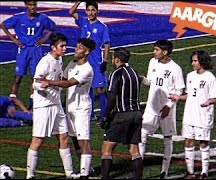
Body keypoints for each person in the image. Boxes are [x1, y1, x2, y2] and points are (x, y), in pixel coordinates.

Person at [39, 38, 96, 179]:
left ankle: (84, 175)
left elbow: (68, 83)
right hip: (70, 108)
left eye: (79, 48)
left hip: (81, 109)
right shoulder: (72, 64)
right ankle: (87, 169)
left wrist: (49, 82)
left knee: (83, 141)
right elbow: (62, 77)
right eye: (76, 47)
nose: (76, 49)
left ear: (86, 52)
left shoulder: (87, 69)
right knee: (75, 140)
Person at [26, 33, 78, 179]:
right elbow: (35, 83)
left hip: (56, 105)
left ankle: (70, 173)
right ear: (53, 47)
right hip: (44, 107)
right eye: (62, 46)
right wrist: (43, 85)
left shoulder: (59, 59)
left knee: (64, 137)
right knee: (37, 140)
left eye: (65, 45)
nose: (65, 48)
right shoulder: (45, 62)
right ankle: (30, 175)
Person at [139, 39, 185, 179]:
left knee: (167, 138)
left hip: (166, 109)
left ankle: (164, 171)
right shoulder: (152, 62)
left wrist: (169, 106)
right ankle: (138, 169)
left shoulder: (175, 68)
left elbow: (180, 89)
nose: (154, 52)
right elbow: (150, 81)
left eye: (156, 50)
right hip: (151, 106)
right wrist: (141, 79)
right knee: (142, 134)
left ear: (165, 52)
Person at [169, 50, 216, 179]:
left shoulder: (210, 78)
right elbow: (190, 95)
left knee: (203, 143)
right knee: (188, 142)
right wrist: (178, 97)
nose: (193, 63)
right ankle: (190, 172)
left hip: (203, 115)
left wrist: (209, 101)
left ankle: (204, 173)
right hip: (189, 114)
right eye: (192, 60)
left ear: (202, 61)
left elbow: (214, 97)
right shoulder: (190, 76)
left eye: (195, 61)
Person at [0, 1, 56, 110]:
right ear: (26, 5)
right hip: (23, 49)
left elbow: (53, 27)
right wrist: (13, 39)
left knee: (34, 77)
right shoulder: (19, 18)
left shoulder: (42, 18)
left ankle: (33, 104)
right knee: (18, 77)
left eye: (34, 5)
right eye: (30, 5)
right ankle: (11, 102)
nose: (33, 7)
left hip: (36, 50)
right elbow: (3, 25)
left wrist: (44, 39)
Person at [100, 47, 143, 179]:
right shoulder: (135, 73)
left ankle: (105, 177)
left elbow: (112, 97)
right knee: (134, 149)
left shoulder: (116, 74)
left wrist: (105, 116)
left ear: (117, 59)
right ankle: (138, 177)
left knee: (107, 147)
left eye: (113, 58)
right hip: (136, 114)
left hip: (122, 115)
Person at [69, 1, 110, 122]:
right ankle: (91, 115)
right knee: (88, 88)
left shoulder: (102, 27)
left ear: (97, 11)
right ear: (85, 11)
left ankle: (104, 116)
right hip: (84, 61)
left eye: (93, 10)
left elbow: (106, 44)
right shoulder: (83, 22)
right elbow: (71, 12)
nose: (90, 13)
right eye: (88, 10)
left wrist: (105, 61)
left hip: (96, 61)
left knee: (100, 89)